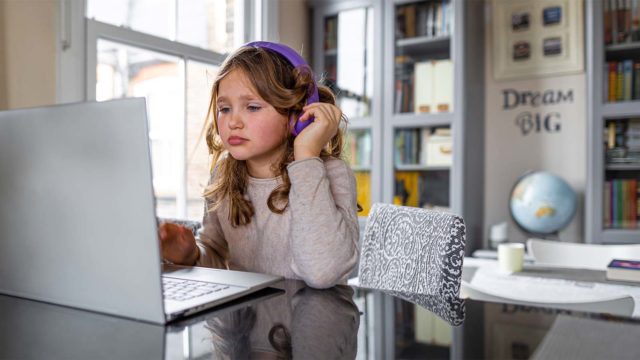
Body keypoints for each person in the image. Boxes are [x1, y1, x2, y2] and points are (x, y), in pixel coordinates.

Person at [159, 41, 359, 289]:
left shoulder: (330, 173)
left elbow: (323, 272)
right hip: (247, 323)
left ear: (297, 115)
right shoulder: (223, 176)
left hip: (314, 321)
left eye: (252, 107)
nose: (233, 122)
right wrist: (191, 255)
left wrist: (307, 155)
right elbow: (216, 255)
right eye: (224, 108)